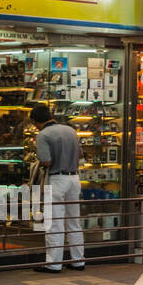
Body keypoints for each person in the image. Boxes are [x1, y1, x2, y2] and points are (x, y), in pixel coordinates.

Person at [31, 104, 84, 273]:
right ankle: (78, 261)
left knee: (54, 223)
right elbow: (81, 154)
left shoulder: (43, 135)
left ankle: (53, 264)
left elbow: (46, 161)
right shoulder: (70, 130)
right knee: (74, 221)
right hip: (74, 178)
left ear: (35, 122)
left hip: (56, 179)